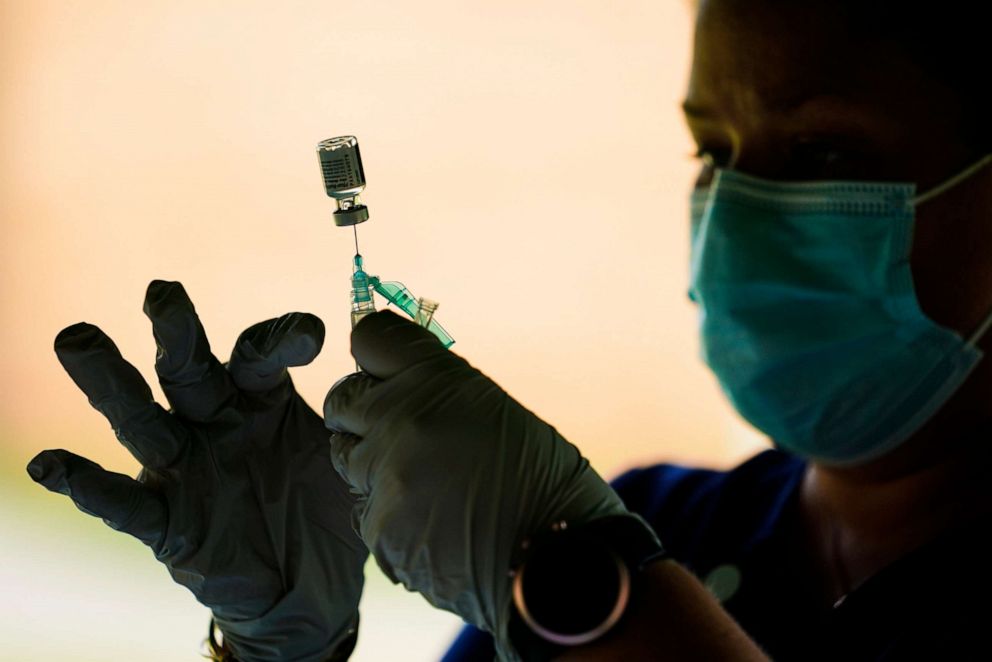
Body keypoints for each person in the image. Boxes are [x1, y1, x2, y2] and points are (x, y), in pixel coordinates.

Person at [27, 0, 992, 659]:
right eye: (713, 151)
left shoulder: (585, 555)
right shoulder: (666, 524)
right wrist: (285, 649)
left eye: (824, 151)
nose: (735, 211)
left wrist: (591, 591)